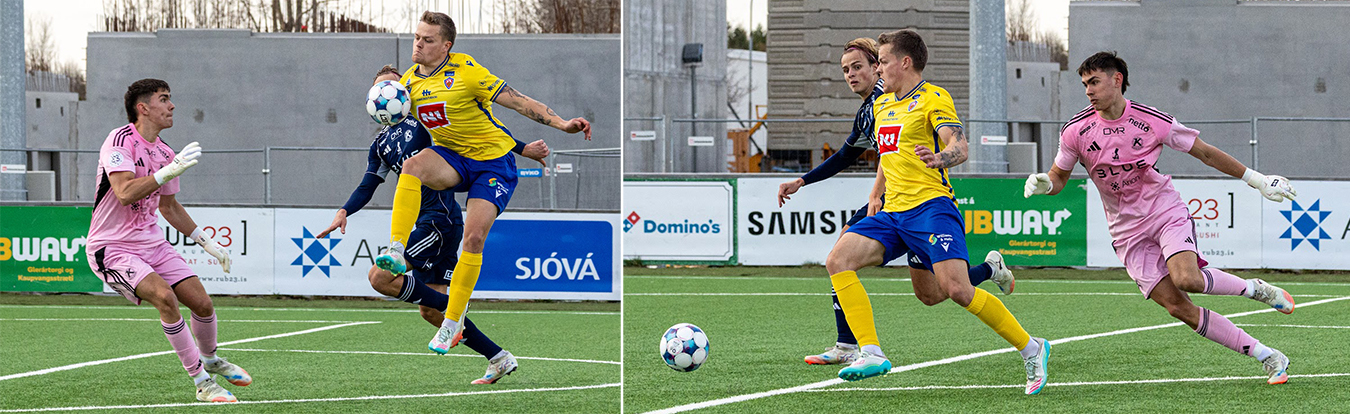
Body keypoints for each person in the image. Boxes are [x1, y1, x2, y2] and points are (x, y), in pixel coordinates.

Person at [1025, 51, 1296, 385]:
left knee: (1188, 279)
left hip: (1163, 211)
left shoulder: (1151, 120)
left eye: (1094, 82)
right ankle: (1268, 356)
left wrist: (1258, 180)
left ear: (1117, 80)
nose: (1088, 91)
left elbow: (1205, 152)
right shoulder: (1076, 130)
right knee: (1178, 308)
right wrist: (1046, 184)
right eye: (1084, 84)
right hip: (1126, 232)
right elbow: (1059, 177)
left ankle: (1255, 289)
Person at [823, 30, 1050, 394]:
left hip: (931, 209)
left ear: (905, 62)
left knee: (956, 290)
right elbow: (888, 156)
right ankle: (871, 352)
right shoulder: (881, 106)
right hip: (893, 213)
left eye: (883, 61)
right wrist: (876, 193)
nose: (878, 69)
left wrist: (940, 158)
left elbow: (959, 145)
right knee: (838, 260)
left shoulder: (933, 97)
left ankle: (1032, 348)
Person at [777, 37, 1014, 366]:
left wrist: (877, 192)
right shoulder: (870, 110)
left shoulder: (892, 95)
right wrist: (803, 181)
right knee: (929, 293)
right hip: (896, 201)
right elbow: (850, 154)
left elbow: (901, 150)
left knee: (944, 286)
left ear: (880, 66)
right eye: (845, 70)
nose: (852, 74)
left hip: (914, 201)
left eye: (859, 66)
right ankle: (988, 269)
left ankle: (849, 345)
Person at [315, 66, 550, 384]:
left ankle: (456, 309)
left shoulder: (423, 120)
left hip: (439, 221)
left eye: (394, 86)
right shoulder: (380, 145)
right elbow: (368, 185)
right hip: (429, 223)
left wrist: (522, 148)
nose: (389, 93)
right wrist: (344, 211)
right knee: (430, 311)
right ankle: (498, 357)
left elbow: (480, 134)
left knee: (380, 277)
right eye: (381, 89)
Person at [374, 11, 592, 353]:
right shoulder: (410, 85)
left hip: (493, 165)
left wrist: (562, 124)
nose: (418, 45)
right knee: (412, 166)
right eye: (417, 37)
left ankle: (452, 322)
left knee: (473, 238)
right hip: (454, 158)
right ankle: (396, 250)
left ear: (446, 46)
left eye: (428, 40)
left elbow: (519, 101)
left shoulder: (467, 72)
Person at [85, 79, 249, 402]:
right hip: (112, 247)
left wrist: (207, 243)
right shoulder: (119, 141)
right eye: (164, 99)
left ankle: (211, 359)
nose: (172, 105)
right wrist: (166, 173)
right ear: (143, 108)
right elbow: (124, 192)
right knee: (165, 298)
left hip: (152, 244)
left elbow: (169, 207)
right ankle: (203, 383)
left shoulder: (165, 152)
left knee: (202, 303)